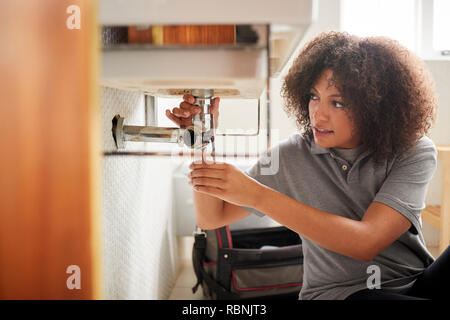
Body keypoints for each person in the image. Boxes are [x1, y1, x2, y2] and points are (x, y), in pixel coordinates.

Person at [165, 31, 449, 300]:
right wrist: (200, 140)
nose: (319, 115)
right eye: (314, 97)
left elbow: (366, 242)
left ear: (375, 107)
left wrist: (257, 195)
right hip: (344, 294)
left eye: (337, 103)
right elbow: (212, 217)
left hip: (416, 281)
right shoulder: (292, 156)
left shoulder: (412, 150)